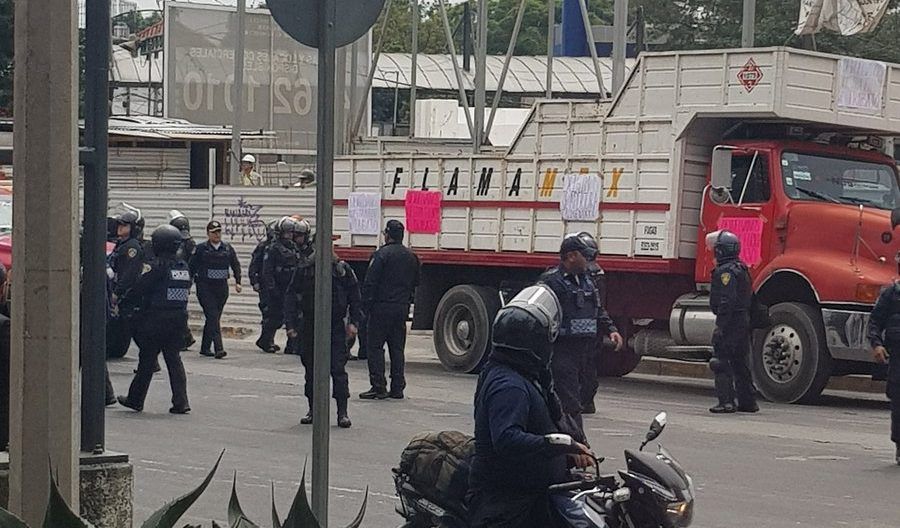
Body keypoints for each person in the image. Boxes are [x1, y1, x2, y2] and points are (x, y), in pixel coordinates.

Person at [468, 285, 595, 528]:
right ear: (534, 343)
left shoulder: (528, 374)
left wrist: (573, 446)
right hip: (507, 505)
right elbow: (506, 439)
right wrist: (556, 445)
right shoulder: (509, 386)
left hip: (535, 494)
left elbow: (554, 414)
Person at [285, 237, 362, 428]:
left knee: (337, 370)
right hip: (310, 326)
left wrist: (354, 323)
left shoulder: (341, 270)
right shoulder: (304, 270)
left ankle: (342, 413)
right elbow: (291, 297)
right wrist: (291, 325)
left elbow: (355, 297)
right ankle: (313, 410)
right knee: (311, 371)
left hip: (334, 326)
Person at [116, 224, 191, 414]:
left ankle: (135, 399)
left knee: (146, 361)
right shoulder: (183, 268)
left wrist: (124, 301)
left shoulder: (158, 268)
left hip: (156, 320)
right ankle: (181, 402)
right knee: (174, 360)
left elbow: (140, 288)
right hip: (178, 320)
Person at [539, 233, 606, 438]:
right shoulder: (552, 281)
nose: (588, 261)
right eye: (584, 256)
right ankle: (578, 445)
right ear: (571, 256)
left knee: (581, 396)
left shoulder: (587, 280)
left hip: (583, 350)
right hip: (562, 349)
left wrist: (611, 330)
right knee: (569, 403)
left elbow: (598, 309)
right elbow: (540, 313)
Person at [359, 219, 420, 400]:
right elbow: (417, 282)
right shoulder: (412, 257)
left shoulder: (381, 255)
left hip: (381, 307)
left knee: (375, 347)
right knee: (397, 349)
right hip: (401, 308)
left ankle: (378, 386)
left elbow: (370, 283)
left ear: (387, 235)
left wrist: (365, 308)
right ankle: (397, 387)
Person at [706, 229, 758, 414]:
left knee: (720, 360)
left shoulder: (726, 272)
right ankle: (748, 401)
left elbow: (727, 300)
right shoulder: (741, 268)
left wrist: (720, 326)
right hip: (742, 321)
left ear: (721, 251)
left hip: (731, 321)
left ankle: (726, 402)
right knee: (740, 362)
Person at [576, 233, 624, 415]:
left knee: (583, 366)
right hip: (585, 329)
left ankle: (583, 401)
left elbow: (598, 307)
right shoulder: (587, 274)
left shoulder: (589, 276)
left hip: (585, 330)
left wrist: (611, 329)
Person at [189, 220, 242, 359]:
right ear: (208, 234)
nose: (217, 234)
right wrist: (187, 284)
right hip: (205, 286)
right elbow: (191, 267)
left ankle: (205, 347)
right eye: (213, 232)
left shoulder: (227, 248)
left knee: (214, 317)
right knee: (212, 315)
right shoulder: (201, 249)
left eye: (218, 231)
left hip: (221, 287)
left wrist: (238, 282)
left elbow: (235, 265)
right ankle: (219, 348)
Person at [258, 217, 310, 354]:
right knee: (274, 316)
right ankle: (265, 340)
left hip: (290, 287)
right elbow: (267, 271)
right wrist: (271, 288)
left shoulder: (294, 247)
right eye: (286, 233)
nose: (289, 236)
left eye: (290, 233)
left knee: (293, 316)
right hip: (278, 287)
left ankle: (292, 345)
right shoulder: (273, 248)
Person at [866, 267, 900, 466]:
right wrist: (877, 344)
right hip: (897, 356)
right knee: (898, 403)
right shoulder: (891, 294)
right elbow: (875, 321)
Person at [107, 209, 145, 360]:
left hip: (127, 295)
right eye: (120, 224)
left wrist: (117, 293)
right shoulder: (120, 244)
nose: (120, 227)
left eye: (125, 225)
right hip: (118, 291)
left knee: (130, 325)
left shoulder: (132, 248)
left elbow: (128, 275)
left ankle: (150, 359)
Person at [249, 220, 281, 353]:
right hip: (265, 286)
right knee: (268, 313)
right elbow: (254, 266)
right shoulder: (263, 247)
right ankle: (266, 340)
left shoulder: (279, 247)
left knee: (276, 315)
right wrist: (254, 282)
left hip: (274, 285)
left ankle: (268, 339)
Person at [169, 210, 196, 350]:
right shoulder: (183, 243)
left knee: (179, 310)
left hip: (180, 281)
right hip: (180, 281)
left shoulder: (186, 244)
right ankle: (185, 337)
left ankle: (184, 337)